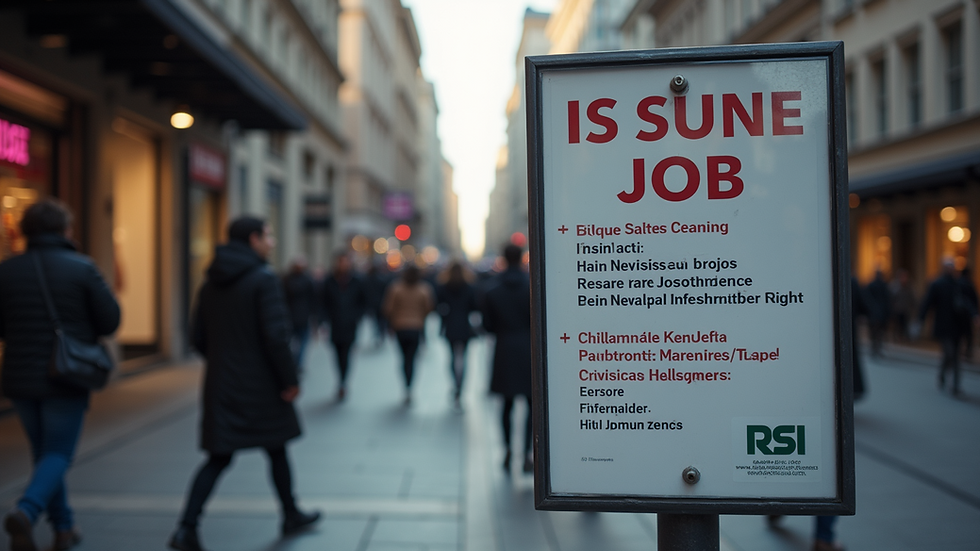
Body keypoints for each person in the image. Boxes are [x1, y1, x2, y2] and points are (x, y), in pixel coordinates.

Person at [169, 217, 319, 551]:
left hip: (222, 383)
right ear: (253, 239)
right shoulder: (263, 279)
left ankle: (186, 527)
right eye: (268, 235)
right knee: (276, 447)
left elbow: (198, 337)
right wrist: (289, 379)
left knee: (219, 456)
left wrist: (225, 362)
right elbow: (276, 336)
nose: (272, 242)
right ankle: (290, 512)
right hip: (263, 384)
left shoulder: (210, 281)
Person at [1, 199, 120, 551]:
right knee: (58, 454)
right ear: (64, 230)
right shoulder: (82, 268)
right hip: (66, 376)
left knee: (45, 454)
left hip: (20, 377)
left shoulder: (6, 271)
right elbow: (110, 320)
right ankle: (26, 510)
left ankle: (64, 529)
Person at [482, 244, 534, 474]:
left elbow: (487, 326)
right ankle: (528, 454)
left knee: (506, 404)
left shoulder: (492, 290)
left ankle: (507, 450)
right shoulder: (533, 287)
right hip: (529, 350)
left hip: (504, 349)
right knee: (533, 405)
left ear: (503, 258)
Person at [918, 257, 972, 396]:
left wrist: (973, 315)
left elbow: (968, 302)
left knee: (955, 356)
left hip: (958, 326)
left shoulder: (959, 284)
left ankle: (955, 385)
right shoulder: (937, 284)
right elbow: (927, 303)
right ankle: (944, 376)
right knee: (950, 353)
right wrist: (920, 320)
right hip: (944, 326)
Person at [383, 264, 435, 405]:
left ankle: (406, 384)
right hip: (416, 327)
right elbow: (429, 308)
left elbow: (388, 308)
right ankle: (409, 386)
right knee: (411, 358)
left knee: (404, 357)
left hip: (400, 327)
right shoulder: (423, 289)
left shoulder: (396, 288)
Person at [321, 253, 367, 401]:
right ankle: (341, 379)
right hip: (335, 324)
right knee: (337, 354)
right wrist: (324, 320)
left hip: (350, 325)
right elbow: (323, 302)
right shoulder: (329, 281)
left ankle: (343, 382)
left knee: (346, 354)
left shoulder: (356, 281)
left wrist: (356, 316)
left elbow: (363, 301)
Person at [436, 261, 480, 406]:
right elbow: (474, 306)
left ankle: (455, 383)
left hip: (450, 326)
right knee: (464, 358)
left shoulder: (444, 287)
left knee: (452, 357)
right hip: (464, 326)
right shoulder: (469, 287)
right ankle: (460, 386)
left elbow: (439, 306)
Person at [281, 255, 317, 369]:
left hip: (291, 316)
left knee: (293, 342)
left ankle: (294, 361)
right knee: (302, 342)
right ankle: (298, 362)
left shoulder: (287, 280)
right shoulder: (308, 280)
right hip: (301, 317)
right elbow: (313, 300)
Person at [865, 269, 890, 357]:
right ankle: (877, 348)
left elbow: (867, 299)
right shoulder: (883, 285)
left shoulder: (872, 285)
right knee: (879, 332)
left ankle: (875, 348)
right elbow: (887, 300)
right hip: (880, 313)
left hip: (874, 313)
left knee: (874, 332)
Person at [957, 267, 978, 359]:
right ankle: (967, 352)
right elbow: (974, 300)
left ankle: (961, 352)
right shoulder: (969, 284)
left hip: (960, 315)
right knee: (968, 334)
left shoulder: (957, 283)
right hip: (967, 314)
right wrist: (975, 313)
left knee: (961, 334)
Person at [889, 268, 916, 342]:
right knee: (897, 325)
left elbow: (913, 298)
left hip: (906, 310)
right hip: (897, 310)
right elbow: (891, 297)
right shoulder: (894, 285)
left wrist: (913, 307)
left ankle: (904, 337)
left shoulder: (909, 286)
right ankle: (897, 337)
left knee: (905, 325)